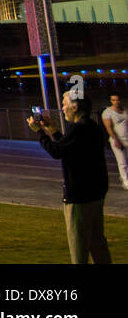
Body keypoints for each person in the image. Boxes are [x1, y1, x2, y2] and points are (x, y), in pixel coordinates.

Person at [30, 92, 112, 264]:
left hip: (79, 196)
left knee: (79, 248)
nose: (63, 108)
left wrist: (40, 133)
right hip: (96, 193)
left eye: (65, 103)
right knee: (97, 244)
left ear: (75, 107)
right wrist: (53, 130)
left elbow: (57, 151)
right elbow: (69, 148)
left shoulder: (77, 128)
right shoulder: (92, 126)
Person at [101, 93, 128, 191]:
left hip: (127, 138)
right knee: (122, 162)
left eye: (118, 100)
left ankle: (125, 176)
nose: (116, 102)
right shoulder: (107, 112)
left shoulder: (124, 110)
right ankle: (125, 181)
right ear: (111, 101)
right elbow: (108, 127)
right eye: (114, 100)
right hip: (117, 140)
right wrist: (115, 140)